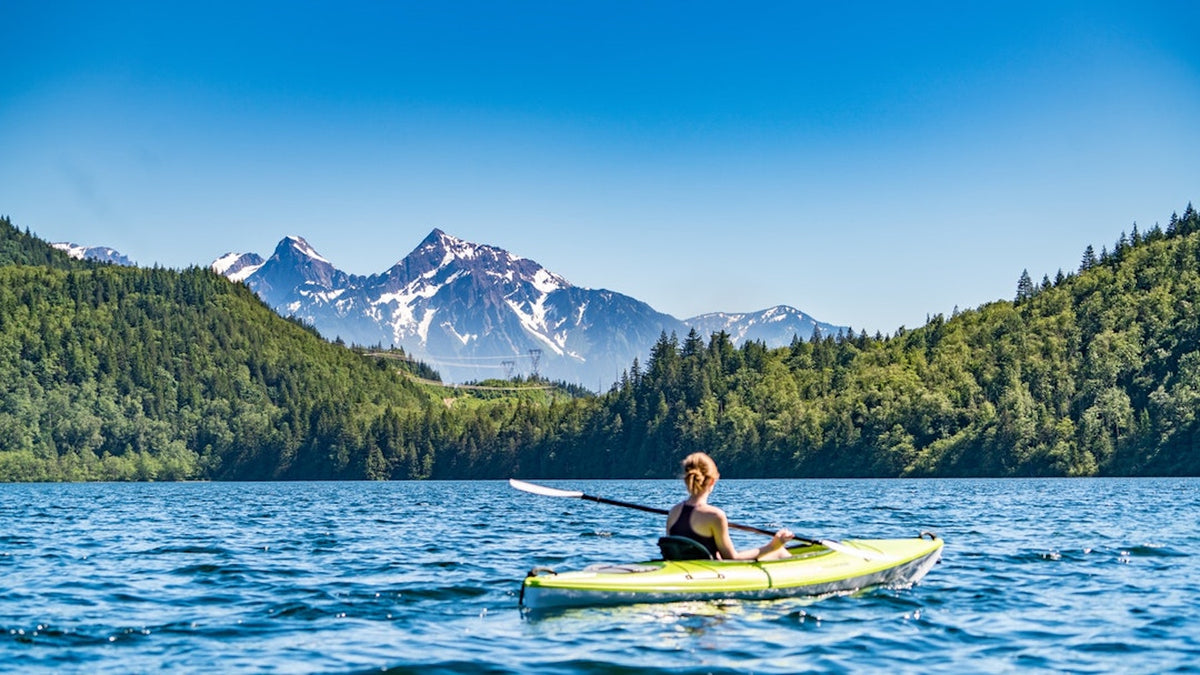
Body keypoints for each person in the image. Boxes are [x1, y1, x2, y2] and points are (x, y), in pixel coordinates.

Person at [666, 452, 794, 560]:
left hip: (689, 569)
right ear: (712, 481)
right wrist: (774, 545)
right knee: (779, 552)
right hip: (709, 574)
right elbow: (731, 558)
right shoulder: (715, 515)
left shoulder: (674, 512)